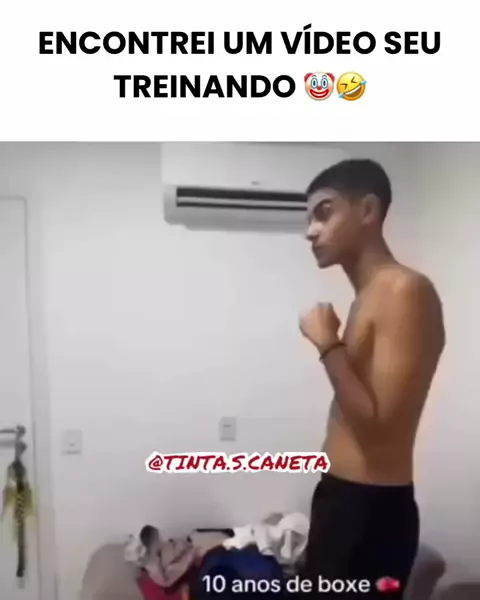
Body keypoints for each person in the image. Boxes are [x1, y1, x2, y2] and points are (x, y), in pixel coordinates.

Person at [298, 159, 445, 598]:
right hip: (343, 502)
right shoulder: (368, 296)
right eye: (309, 218)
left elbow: (379, 429)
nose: (310, 231)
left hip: (367, 511)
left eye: (324, 212)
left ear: (367, 210)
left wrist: (328, 344)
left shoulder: (405, 290)